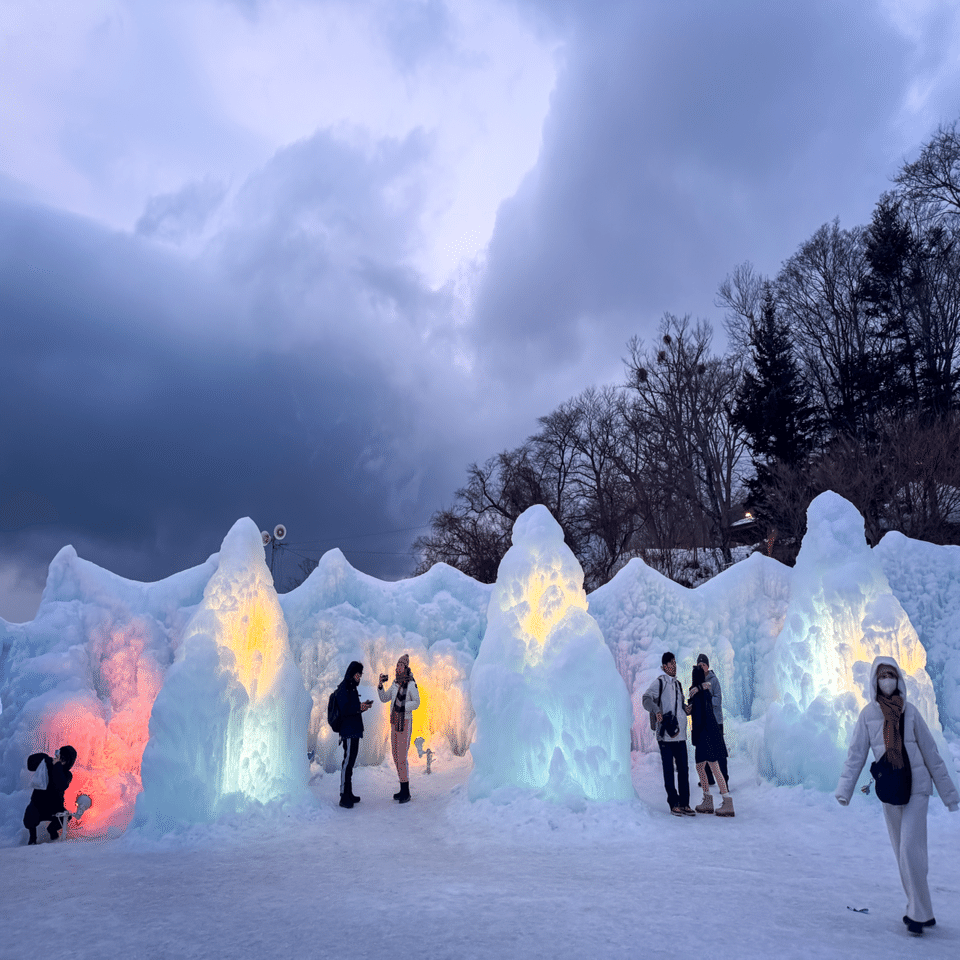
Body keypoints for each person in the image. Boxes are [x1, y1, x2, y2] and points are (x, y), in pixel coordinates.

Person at [836, 656, 959, 936]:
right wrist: (845, 790)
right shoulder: (867, 715)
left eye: (891, 675)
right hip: (891, 789)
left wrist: (949, 795)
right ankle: (923, 910)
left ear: (899, 679)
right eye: (882, 676)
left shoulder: (911, 712)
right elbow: (856, 754)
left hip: (917, 787)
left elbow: (931, 753)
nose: (887, 680)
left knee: (909, 849)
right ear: (874, 681)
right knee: (902, 853)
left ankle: (916, 915)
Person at [642, 652, 695, 816]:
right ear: (664, 666)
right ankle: (674, 803)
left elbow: (679, 705)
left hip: (680, 735)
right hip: (665, 735)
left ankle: (685, 803)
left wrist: (686, 709)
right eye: (671, 663)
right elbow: (646, 699)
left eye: (675, 662)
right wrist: (656, 710)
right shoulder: (660, 682)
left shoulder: (678, 684)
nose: (674, 665)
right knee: (669, 771)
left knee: (684, 770)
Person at [688, 664, 734, 817]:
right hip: (711, 734)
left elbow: (698, 719)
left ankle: (720, 801)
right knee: (706, 767)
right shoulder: (705, 692)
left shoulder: (697, 694)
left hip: (704, 736)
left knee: (708, 767)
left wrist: (696, 737)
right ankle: (717, 800)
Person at [378, 653, 421, 804]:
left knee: (402, 757)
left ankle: (406, 791)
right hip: (394, 722)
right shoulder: (395, 683)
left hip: (405, 722)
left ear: (406, 667)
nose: (398, 667)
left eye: (401, 665)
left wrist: (403, 707)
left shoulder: (411, 684)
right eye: (397, 665)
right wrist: (380, 686)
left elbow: (417, 702)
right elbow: (384, 698)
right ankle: (402, 788)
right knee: (395, 755)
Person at [334, 661, 373, 809]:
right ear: (352, 673)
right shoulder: (344, 688)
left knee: (350, 763)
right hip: (348, 731)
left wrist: (362, 707)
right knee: (347, 762)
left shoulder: (351, 688)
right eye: (358, 675)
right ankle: (344, 796)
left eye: (360, 675)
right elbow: (345, 710)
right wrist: (359, 707)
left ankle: (349, 792)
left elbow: (352, 708)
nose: (359, 678)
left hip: (354, 730)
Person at [23, 745, 78, 844]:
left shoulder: (67, 774)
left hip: (54, 808)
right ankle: (32, 837)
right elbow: (30, 764)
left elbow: (61, 784)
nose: (62, 760)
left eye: (65, 759)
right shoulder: (47, 764)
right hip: (38, 805)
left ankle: (52, 830)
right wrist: (44, 758)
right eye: (61, 757)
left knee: (66, 816)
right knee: (30, 817)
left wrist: (57, 765)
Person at [696, 653, 730, 788]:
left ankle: (724, 781)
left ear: (707, 666)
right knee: (705, 750)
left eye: (703, 664)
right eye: (699, 665)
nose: (701, 667)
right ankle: (709, 778)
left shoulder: (714, 680)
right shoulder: (697, 681)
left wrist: (706, 699)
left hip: (715, 721)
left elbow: (718, 700)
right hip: (704, 722)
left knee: (719, 752)